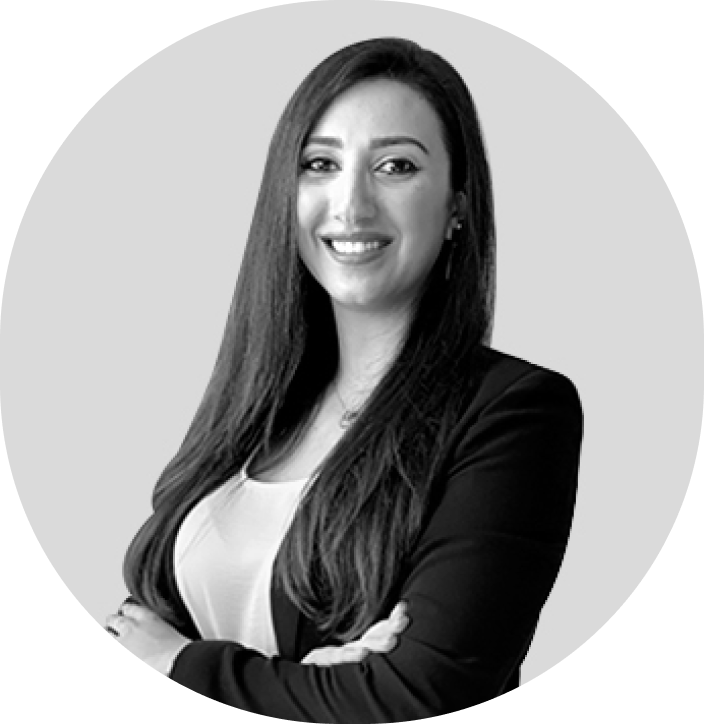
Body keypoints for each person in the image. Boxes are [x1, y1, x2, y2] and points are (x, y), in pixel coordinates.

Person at [106, 37, 583, 719]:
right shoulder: (259, 406)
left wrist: (183, 664)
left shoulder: (514, 412)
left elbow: (418, 697)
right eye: (320, 164)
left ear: (457, 207)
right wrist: (304, 683)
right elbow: (135, 624)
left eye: (396, 166)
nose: (352, 204)